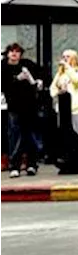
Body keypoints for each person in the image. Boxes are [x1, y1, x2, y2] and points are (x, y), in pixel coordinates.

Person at [2, 43, 43, 177]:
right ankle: (15, 165)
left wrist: (39, 81)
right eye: (12, 51)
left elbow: (42, 74)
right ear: (7, 53)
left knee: (30, 135)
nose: (14, 54)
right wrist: (16, 79)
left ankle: (32, 164)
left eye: (17, 51)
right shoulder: (3, 67)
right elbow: (3, 84)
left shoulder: (27, 64)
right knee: (15, 135)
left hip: (30, 105)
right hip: (14, 106)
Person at [50, 50, 78, 174]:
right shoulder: (59, 74)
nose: (65, 59)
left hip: (77, 107)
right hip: (63, 108)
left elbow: (77, 81)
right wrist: (59, 91)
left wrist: (68, 68)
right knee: (64, 134)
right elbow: (52, 89)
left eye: (68, 57)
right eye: (63, 57)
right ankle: (66, 159)